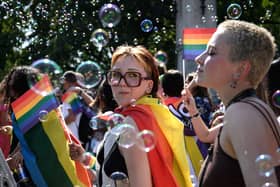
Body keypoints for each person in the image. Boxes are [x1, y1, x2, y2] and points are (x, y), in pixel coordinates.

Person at [70, 45, 193, 187]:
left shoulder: (132, 124)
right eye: (116, 74)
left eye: (133, 75)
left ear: (149, 86)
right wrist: (83, 158)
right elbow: (109, 176)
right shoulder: (146, 115)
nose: (122, 82)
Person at [181, 20, 279, 187]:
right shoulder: (248, 108)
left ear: (240, 69)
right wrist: (193, 110)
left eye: (211, 52)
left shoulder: (242, 113)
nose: (199, 58)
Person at [60, 70, 96, 148]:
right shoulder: (70, 96)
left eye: (79, 82)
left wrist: (59, 125)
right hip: (78, 137)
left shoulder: (86, 95)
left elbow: (72, 117)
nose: (77, 84)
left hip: (80, 137)